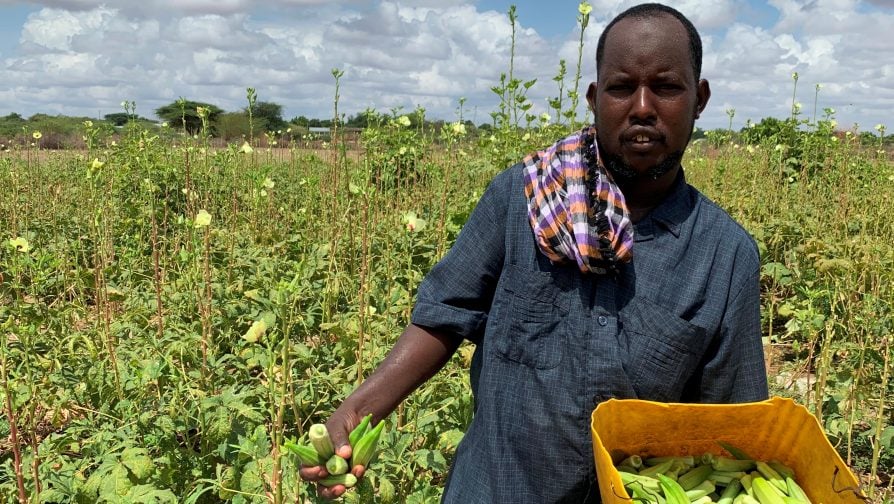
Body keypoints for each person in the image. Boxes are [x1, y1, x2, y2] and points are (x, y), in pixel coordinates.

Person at [300, 3, 769, 502]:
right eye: (620, 87)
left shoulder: (724, 254)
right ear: (593, 98)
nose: (642, 107)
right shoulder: (523, 198)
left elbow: (727, 425)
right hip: (495, 486)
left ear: (699, 99)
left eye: (667, 87)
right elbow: (444, 314)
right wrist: (357, 412)